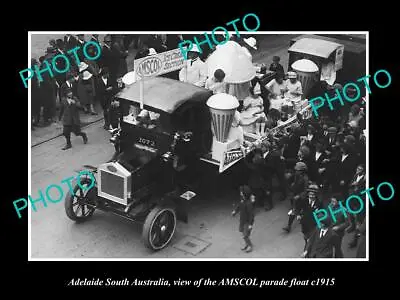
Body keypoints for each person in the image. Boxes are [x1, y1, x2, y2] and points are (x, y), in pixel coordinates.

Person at [283, 161, 309, 233]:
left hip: (302, 198)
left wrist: (299, 196)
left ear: (301, 171)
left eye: (297, 170)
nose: (296, 171)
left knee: (305, 210)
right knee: (294, 210)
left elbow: (306, 190)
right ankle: (289, 226)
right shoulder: (296, 176)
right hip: (296, 196)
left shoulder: (305, 179)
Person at [232, 185, 256, 253]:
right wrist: (235, 211)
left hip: (247, 222)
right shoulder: (242, 200)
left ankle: (250, 246)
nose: (240, 193)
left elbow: (251, 215)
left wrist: (250, 224)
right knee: (243, 233)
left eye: (241, 192)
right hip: (242, 220)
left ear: (244, 193)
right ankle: (247, 244)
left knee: (245, 235)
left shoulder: (248, 204)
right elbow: (239, 206)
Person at [298, 184, 322, 250]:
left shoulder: (319, 203)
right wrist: (299, 215)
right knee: (306, 237)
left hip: (313, 224)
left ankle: (308, 251)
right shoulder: (304, 201)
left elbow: (322, 213)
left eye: (313, 195)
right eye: (310, 194)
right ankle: (307, 247)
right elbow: (298, 208)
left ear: (316, 195)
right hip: (305, 224)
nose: (311, 196)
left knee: (312, 240)